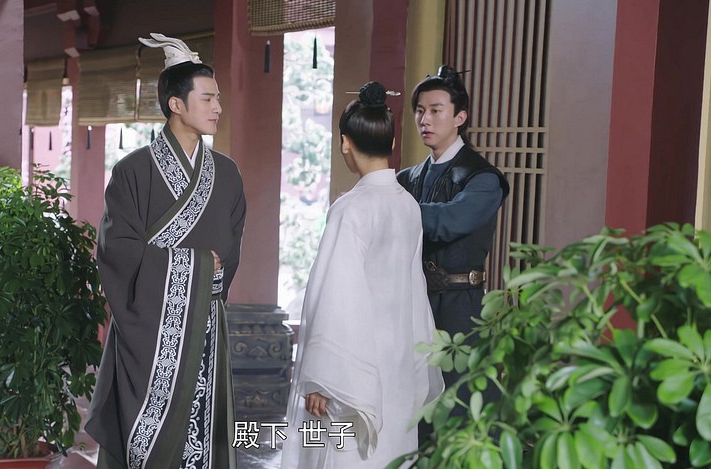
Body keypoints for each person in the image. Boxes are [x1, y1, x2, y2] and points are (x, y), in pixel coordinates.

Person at [85, 33, 246, 469]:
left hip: (204, 325)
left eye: (218, 98)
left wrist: (207, 276)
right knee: (143, 447)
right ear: (176, 104)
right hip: (146, 332)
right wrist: (195, 265)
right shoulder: (132, 172)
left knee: (202, 439)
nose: (217, 107)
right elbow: (116, 251)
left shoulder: (227, 174)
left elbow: (230, 251)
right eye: (207, 98)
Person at [281, 81, 444, 469]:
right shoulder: (408, 206)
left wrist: (324, 379)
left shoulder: (351, 209)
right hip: (399, 359)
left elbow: (337, 297)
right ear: (392, 143)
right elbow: (414, 290)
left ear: (345, 143)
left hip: (355, 369)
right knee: (390, 453)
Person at [397, 66, 510, 422]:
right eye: (420, 110)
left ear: (460, 117)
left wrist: (390, 207)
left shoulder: (483, 178)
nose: (425, 119)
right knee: (411, 405)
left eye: (436, 110)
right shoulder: (408, 178)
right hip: (413, 300)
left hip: (460, 304)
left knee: (459, 404)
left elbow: (450, 221)